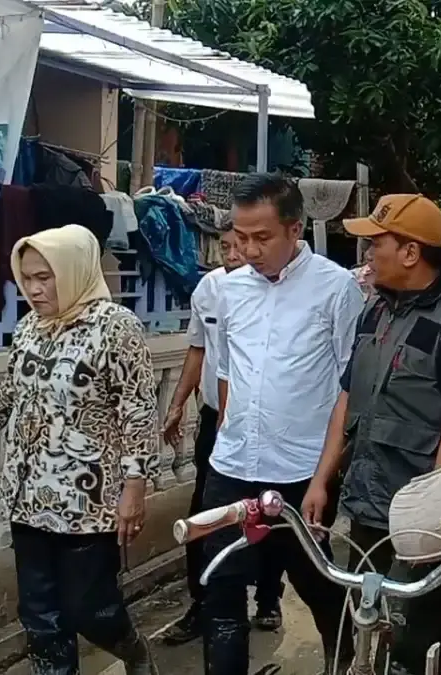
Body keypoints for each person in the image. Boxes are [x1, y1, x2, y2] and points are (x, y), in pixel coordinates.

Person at [0, 225, 159, 675]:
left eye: (44, 277)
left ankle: (132, 649)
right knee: (41, 618)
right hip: (28, 496)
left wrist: (135, 487)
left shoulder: (116, 327)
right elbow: (12, 393)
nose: (33, 289)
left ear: (72, 271)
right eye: (26, 278)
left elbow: (138, 411)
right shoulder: (30, 326)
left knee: (91, 609)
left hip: (89, 498)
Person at [302, 194, 441, 674]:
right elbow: (347, 398)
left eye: (377, 244)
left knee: (416, 639)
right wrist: (321, 480)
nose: (368, 254)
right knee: (368, 623)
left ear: (411, 252)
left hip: (418, 514)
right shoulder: (377, 310)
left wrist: (429, 514)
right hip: (367, 503)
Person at [200, 173, 363, 675]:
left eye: (262, 237)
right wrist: (226, 430)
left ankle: (344, 661)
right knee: (220, 584)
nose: (248, 250)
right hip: (231, 465)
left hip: (300, 471)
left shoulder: (336, 289)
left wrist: (324, 477)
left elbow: (350, 386)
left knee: (314, 581)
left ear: (295, 229)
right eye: (241, 236)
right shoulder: (228, 290)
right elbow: (227, 370)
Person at [160, 219, 285, 643]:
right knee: (207, 514)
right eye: (227, 246)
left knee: (268, 509)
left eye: (242, 245)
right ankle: (203, 603)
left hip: (267, 422)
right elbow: (198, 349)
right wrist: (177, 403)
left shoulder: (278, 291)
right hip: (218, 420)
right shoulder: (209, 289)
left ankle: (268, 596)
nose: (234, 255)